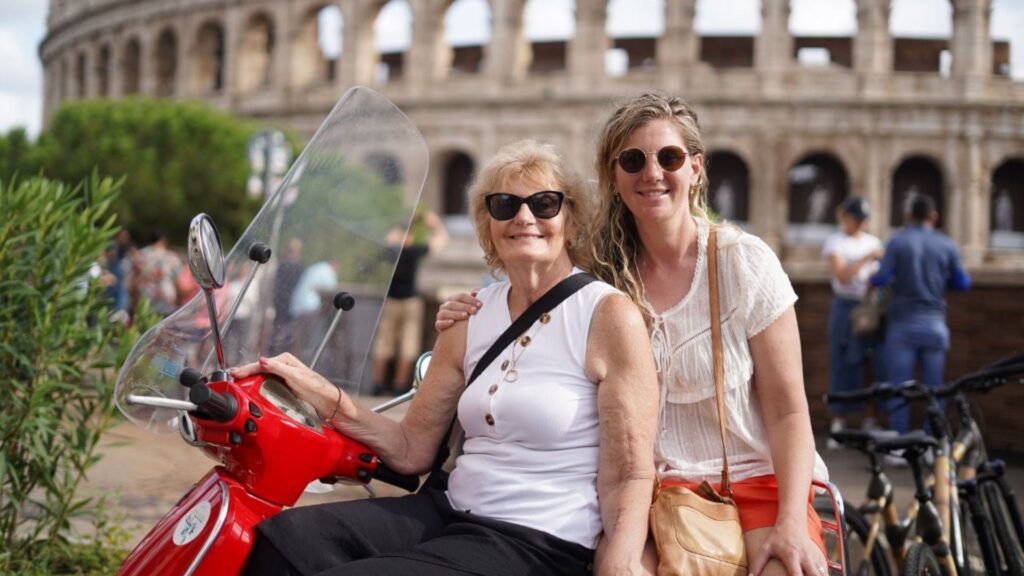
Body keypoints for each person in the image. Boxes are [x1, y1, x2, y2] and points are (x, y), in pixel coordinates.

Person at [437, 94, 830, 576]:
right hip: (647, 496)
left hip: (754, 483)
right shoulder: (596, 272)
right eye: (632, 160)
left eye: (669, 157)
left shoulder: (743, 262)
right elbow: (528, 285)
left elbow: (788, 409)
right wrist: (472, 308)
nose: (652, 173)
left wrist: (792, 521)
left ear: (696, 168)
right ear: (614, 176)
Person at [235, 140, 660, 576]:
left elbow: (629, 472)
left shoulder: (607, 315)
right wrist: (324, 394)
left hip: (536, 538)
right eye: (505, 205)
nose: (524, 217)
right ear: (487, 223)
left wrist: (622, 558)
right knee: (282, 541)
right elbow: (410, 449)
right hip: (450, 511)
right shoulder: (470, 315)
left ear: (570, 221)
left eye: (544, 203)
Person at [871, 193, 970, 434]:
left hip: (902, 325)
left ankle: (899, 443)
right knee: (934, 388)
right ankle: (931, 443)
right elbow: (963, 283)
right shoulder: (947, 244)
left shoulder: (898, 242)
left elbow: (881, 278)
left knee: (899, 387)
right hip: (935, 324)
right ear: (933, 217)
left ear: (908, 216)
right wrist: (939, 284)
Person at [822, 196, 886, 447]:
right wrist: (868, 258)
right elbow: (842, 275)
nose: (859, 224)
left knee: (868, 362)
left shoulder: (873, 241)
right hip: (844, 305)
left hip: (867, 307)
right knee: (840, 361)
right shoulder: (836, 242)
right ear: (844, 217)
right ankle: (839, 421)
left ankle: (868, 418)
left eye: (863, 220)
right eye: (855, 219)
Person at [371, 208, 449, 395]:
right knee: (408, 343)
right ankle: (399, 385)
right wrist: (435, 224)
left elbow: (386, 241)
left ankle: (377, 384)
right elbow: (441, 240)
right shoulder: (414, 251)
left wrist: (397, 232)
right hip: (410, 301)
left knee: (383, 343)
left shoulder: (392, 252)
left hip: (391, 300)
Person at [128, 229, 183, 317]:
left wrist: (133, 302)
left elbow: (134, 282)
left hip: (145, 301)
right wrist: (179, 302)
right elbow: (179, 283)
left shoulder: (140, 256)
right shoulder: (172, 257)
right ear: (164, 240)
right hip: (167, 300)